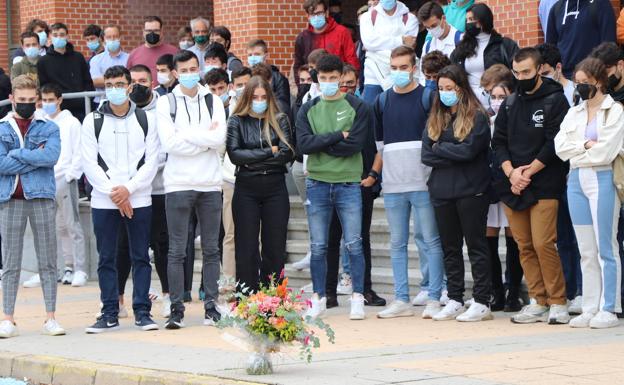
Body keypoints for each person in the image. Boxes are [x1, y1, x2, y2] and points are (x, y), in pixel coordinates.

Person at [491, 47, 570, 325]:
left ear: (538, 69)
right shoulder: (510, 103)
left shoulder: (555, 100)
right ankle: (539, 300)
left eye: (526, 71)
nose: (521, 76)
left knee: (543, 243)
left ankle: (558, 301)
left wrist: (529, 172)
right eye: (517, 72)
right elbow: (498, 142)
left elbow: (555, 143)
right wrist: (512, 173)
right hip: (514, 185)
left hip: (545, 183)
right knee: (524, 245)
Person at [155, 50, 227, 329]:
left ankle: (211, 306)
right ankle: (176, 308)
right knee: (176, 250)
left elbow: (219, 137)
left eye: (193, 68)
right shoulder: (166, 102)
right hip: (177, 184)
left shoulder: (213, 100)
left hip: (210, 183)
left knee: (211, 249)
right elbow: (169, 144)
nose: (189, 73)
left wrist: (186, 134)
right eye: (183, 69)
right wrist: (203, 139)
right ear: (174, 73)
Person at [296, 54, 370, 321]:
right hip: (316, 182)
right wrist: (338, 135)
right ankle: (318, 298)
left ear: (341, 78)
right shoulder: (308, 108)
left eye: (332, 78)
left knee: (354, 243)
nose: (328, 82)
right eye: (323, 78)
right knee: (318, 245)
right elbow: (303, 145)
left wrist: (321, 143)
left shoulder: (358, 106)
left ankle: (357, 297)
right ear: (317, 78)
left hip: (348, 182)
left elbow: (357, 144)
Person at [374, 46, 445, 319]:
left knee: (431, 241)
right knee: (397, 243)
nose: (399, 72)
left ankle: (435, 296)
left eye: (404, 67)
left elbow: (436, 138)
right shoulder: (381, 101)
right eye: (394, 67)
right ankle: (401, 298)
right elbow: (380, 145)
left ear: (414, 67)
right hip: (393, 185)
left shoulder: (428, 97)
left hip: (424, 182)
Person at [554, 57, 624, 329]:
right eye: (578, 83)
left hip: (603, 177)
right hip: (576, 180)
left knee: (605, 246)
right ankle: (590, 306)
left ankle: (610, 306)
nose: (581, 87)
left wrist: (579, 149)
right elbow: (560, 147)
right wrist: (585, 144)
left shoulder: (614, 111)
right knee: (586, 248)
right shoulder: (575, 112)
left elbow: (607, 151)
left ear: (599, 82)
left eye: (586, 83)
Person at [420, 64, 492, 322]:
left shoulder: (477, 116)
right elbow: (426, 154)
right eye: (441, 88)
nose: (444, 93)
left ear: (461, 88)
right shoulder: (435, 118)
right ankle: (455, 298)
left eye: (449, 88)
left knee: (476, 245)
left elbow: (470, 151)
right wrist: (449, 149)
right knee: (450, 247)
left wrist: (441, 148)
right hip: (441, 191)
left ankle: (482, 300)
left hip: (471, 190)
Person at [0, 75, 63, 338]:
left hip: (41, 197)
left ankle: (51, 317)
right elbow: (1, 165)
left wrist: (17, 154)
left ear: (36, 100)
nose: (25, 104)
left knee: (47, 260)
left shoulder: (48, 127)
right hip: (10, 199)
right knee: (10, 262)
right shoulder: (2, 127)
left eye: (30, 100)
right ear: (12, 98)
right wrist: (34, 158)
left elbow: (51, 157)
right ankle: (8, 318)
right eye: (21, 100)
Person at [323, 64, 386, 308]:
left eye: (351, 83)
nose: (346, 88)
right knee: (331, 239)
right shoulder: (322, 110)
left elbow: (370, 145)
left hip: (360, 183)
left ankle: (364, 289)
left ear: (357, 83)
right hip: (330, 182)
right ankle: (328, 292)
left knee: (361, 240)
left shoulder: (365, 110)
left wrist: (371, 177)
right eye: (342, 83)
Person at [226, 76, 293, 292]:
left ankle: (273, 296)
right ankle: (247, 297)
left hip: (275, 186)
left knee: (275, 246)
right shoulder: (236, 120)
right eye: (255, 97)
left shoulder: (280, 119)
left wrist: (253, 157)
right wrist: (268, 151)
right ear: (247, 97)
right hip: (246, 187)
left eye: (264, 97)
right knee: (246, 247)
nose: (260, 100)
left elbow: (287, 153)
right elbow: (235, 155)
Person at [537, 42, 582, 313]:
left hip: (576, 169)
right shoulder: (538, 97)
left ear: (557, 68)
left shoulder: (574, 92)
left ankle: (586, 290)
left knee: (582, 238)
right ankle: (570, 289)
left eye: (544, 71)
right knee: (563, 237)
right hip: (555, 175)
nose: (540, 78)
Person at [40, 83, 86, 288]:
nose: (48, 104)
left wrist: (70, 176)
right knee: (55, 228)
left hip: (64, 180)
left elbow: (79, 151)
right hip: (45, 180)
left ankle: (80, 269)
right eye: (45, 100)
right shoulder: (40, 121)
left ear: (59, 100)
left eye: (51, 100)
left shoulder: (72, 123)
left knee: (72, 225)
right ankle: (65, 267)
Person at [590, 41, 624, 316]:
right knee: (613, 240)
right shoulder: (603, 97)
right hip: (608, 176)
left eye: (608, 71)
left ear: (620, 66)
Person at [484, 79, 523, 312]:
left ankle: (514, 292)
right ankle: (496, 292)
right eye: (493, 96)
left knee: (513, 242)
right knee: (488, 242)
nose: (497, 101)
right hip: (489, 189)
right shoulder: (485, 121)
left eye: (502, 96)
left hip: (509, 185)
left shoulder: (515, 121)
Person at [450, 3, 518, 107]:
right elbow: (453, 71)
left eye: (472, 19)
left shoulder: (504, 45)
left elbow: (517, 74)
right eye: (467, 20)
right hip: (469, 104)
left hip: (497, 103)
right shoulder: (461, 47)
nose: (469, 23)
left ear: (483, 19)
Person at [359, 0, 419, 104]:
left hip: (401, 76)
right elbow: (369, 43)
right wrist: (401, 40)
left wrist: (378, 46)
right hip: (373, 77)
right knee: (372, 116)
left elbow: (408, 48)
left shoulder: (410, 18)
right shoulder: (367, 17)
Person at [37, 22, 94, 122]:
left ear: (67, 36)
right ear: (50, 37)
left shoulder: (78, 57)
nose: (59, 37)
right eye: (55, 35)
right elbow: (44, 87)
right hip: (57, 110)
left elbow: (88, 82)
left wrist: (85, 100)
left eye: (62, 35)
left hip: (82, 109)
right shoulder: (43, 62)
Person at [546, 0, 616, 79]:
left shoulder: (601, 4)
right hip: (563, 78)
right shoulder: (556, 9)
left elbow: (609, 46)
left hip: (592, 77)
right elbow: (550, 49)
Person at [294, 0, 359, 84]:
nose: (316, 17)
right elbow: (298, 66)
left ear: (326, 13)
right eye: (313, 14)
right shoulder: (303, 37)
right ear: (308, 16)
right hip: (311, 84)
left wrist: (352, 82)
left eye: (319, 13)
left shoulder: (342, 32)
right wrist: (301, 86)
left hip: (337, 83)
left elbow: (351, 60)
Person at [418, 1, 462, 86]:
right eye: (427, 28)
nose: (431, 30)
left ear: (443, 18)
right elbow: (422, 76)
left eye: (434, 26)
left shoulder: (461, 40)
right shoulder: (428, 46)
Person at [127, 16, 178, 88]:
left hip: (169, 94)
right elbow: (128, 79)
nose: (152, 34)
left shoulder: (174, 52)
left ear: (161, 31)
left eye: (156, 30)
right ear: (143, 31)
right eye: (148, 31)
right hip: (142, 97)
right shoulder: (134, 54)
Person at [246, 39, 291, 115]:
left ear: (266, 56)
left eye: (257, 54)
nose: (253, 58)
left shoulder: (278, 78)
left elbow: (283, 106)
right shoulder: (246, 77)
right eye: (250, 55)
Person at [90, 25, 129, 104]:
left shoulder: (129, 58)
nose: (112, 39)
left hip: (125, 100)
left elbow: (132, 80)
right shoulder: (96, 60)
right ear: (103, 39)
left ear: (120, 38)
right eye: (109, 37)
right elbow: (96, 82)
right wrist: (121, 81)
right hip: (103, 101)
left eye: (115, 36)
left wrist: (106, 80)